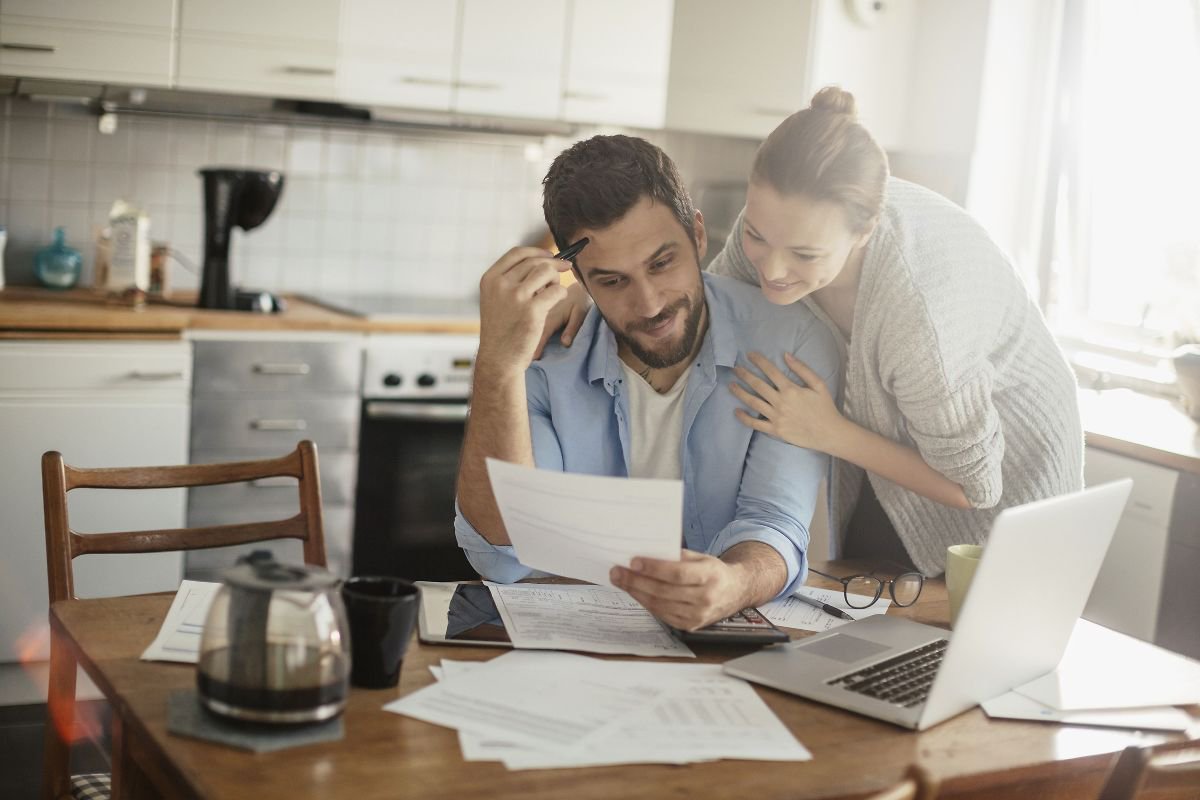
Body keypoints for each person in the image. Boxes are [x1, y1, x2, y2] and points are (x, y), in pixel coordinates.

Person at [547, 88, 1084, 577]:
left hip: (1006, 500)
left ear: (864, 231)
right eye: (755, 235)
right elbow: (708, 303)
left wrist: (829, 433)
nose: (772, 270)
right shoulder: (774, 238)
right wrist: (596, 289)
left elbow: (975, 486)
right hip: (894, 469)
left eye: (804, 254)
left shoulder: (921, 319)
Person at [454, 134, 839, 630]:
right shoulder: (541, 356)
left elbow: (774, 521)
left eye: (662, 263)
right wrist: (496, 368)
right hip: (572, 641)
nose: (651, 303)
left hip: (722, 646)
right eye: (613, 281)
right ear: (579, 278)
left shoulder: (791, 342)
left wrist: (734, 583)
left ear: (698, 235)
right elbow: (502, 551)